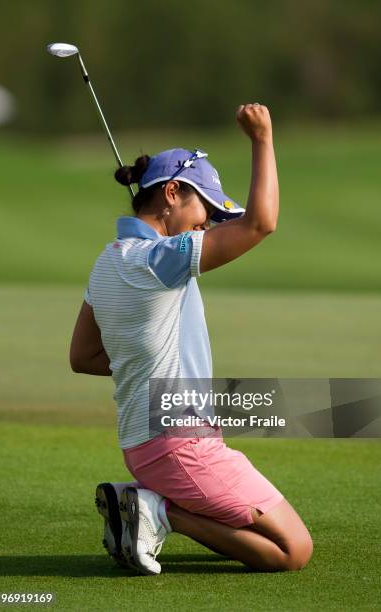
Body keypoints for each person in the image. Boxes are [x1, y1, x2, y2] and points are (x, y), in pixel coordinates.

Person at [70, 104, 313, 575]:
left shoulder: (107, 261)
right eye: (206, 208)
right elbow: (261, 223)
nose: (208, 224)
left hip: (144, 445)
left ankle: (148, 505)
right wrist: (261, 139)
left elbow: (83, 357)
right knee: (292, 550)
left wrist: (147, 362)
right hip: (181, 446)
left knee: (251, 537)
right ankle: (157, 512)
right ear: (173, 192)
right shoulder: (162, 257)